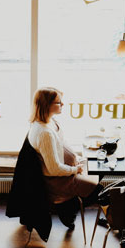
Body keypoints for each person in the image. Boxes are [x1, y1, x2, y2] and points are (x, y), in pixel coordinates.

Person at [27, 87, 101, 228]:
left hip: (70, 170)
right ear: (47, 105)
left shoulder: (51, 121)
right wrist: (75, 169)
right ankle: (68, 209)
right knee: (99, 191)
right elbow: (53, 169)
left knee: (98, 168)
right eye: (59, 102)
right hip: (60, 180)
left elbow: (61, 145)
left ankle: (69, 209)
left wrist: (77, 158)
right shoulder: (44, 133)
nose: (63, 105)